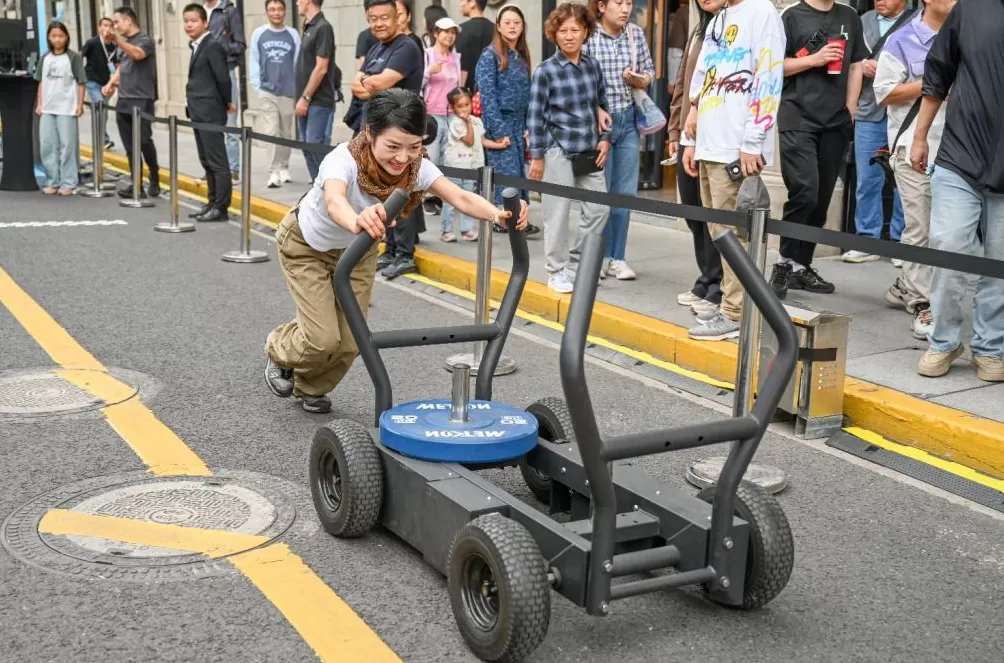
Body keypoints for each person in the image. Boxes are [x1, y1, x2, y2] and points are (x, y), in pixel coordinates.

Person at [263, 88, 529, 413]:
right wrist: (357, 219)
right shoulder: (343, 160)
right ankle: (279, 349)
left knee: (352, 339)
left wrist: (497, 214)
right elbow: (334, 201)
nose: (402, 158)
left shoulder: (417, 169)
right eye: (392, 146)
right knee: (323, 337)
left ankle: (309, 387)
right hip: (307, 245)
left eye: (413, 147)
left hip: (358, 252)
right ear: (369, 134)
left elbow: (459, 196)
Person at [909, 0, 1004, 383]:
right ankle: (944, 341)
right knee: (948, 248)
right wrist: (919, 137)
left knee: (999, 264)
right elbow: (938, 73)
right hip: (959, 156)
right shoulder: (972, 8)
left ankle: (990, 347)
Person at [681, 0, 786, 341]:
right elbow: (703, 79)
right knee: (719, 232)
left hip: (736, 147)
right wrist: (689, 138)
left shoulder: (762, 13)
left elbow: (769, 79)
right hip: (710, 143)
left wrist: (753, 143)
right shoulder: (718, 19)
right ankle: (731, 303)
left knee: (735, 234)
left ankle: (735, 312)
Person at [769, 0, 866, 297]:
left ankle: (801, 266)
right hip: (797, 116)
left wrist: (850, 109)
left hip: (835, 121)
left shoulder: (849, 16)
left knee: (821, 198)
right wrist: (815, 59)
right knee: (805, 191)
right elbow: (773, 67)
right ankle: (783, 263)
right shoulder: (790, 15)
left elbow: (856, 65)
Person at [873, 0, 954, 341]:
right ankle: (922, 302)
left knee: (948, 233)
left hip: (957, 151)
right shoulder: (902, 39)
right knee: (920, 227)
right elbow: (884, 93)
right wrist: (933, 83)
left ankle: (906, 283)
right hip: (913, 149)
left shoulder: (965, 35)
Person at [528, 2, 612, 294]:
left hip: (589, 150)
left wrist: (605, 138)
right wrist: (537, 157)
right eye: (563, 30)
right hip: (557, 149)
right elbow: (535, 116)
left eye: (575, 30)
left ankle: (577, 265)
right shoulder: (545, 71)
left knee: (599, 209)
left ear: (585, 32)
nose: (569, 36)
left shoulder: (592, 65)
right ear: (554, 34)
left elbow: (603, 104)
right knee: (557, 213)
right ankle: (556, 270)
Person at [350, 0, 425, 279]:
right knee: (383, 194)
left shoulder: (406, 47)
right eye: (373, 18)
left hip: (402, 135)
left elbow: (380, 83)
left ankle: (405, 255)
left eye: (384, 17)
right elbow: (356, 85)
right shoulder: (376, 48)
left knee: (401, 194)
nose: (379, 23)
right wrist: (368, 82)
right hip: (379, 135)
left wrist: (368, 81)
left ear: (398, 18)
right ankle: (392, 250)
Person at [584, 0, 656, 282]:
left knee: (624, 195)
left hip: (628, 122)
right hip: (598, 123)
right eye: (619, 2)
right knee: (599, 195)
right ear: (602, 6)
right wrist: (595, 108)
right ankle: (597, 256)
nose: (626, 8)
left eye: (629, 3)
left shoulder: (635, 34)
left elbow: (649, 72)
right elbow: (579, 78)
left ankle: (617, 257)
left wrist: (639, 79)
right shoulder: (588, 35)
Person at [842, 0, 911, 264]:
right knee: (867, 180)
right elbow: (848, 57)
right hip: (869, 111)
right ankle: (866, 240)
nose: (879, 0)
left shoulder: (917, 22)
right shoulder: (862, 20)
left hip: (904, 112)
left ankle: (902, 243)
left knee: (905, 180)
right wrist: (861, 64)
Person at [667, 0, 723, 315]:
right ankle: (706, 277)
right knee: (692, 208)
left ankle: (715, 285)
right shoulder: (699, 31)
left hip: (714, 135)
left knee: (711, 212)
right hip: (688, 137)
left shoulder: (731, 29)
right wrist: (674, 132)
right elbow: (681, 87)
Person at [474, 4, 541, 236]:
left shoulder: (521, 55)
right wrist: (499, 130)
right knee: (507, 174)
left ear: (523, 26)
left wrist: (527, 127)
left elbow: (528, 94)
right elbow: (487, 96)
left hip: (518, 124)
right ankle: (502, 219)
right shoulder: (489, 55)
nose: (512, 27)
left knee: (518, 175)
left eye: (517, 22)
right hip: (500, 123)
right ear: (499, 27)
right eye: (507, 23)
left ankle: (518, 220)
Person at [102, 6, 160, 200]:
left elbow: (137, 55)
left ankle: (154, 176)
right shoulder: (124, 44)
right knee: (130, 146)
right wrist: (110, 83)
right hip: (124, 99)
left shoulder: (145, 40)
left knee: (143, 141)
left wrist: (117, 40)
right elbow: (122, 67)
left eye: (117, 22)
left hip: (142, 99)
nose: (115, 26)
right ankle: (137, 185)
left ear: (128, 20)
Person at [183, 4, 234, 223]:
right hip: (198, 112)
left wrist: (227, 102)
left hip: (210, 112)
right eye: (186, 21)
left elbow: (223, 78)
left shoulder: (212, 45)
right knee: (206, 161)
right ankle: (212, 202)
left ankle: (221, 207)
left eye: (193, 20)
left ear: (205, 23)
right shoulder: (196, 46)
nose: (189, 25)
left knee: (217, 161)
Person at [441, 87, 506, 242]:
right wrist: (468, 122)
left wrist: (500, 145)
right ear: (453, 108)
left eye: (467, 104)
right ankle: (446, 230)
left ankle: (467, 229)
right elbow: (469, 141)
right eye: (460, 106)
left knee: (469, 198)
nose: (464, 109)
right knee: (450, 200)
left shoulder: (477, 121)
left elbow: (482, 141)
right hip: (456, 167)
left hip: (471, 167)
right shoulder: (456, 123)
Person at [250, 0, 301, 189]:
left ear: (285, 11)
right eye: (272, 9)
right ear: (266, 12)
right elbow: (254, 60)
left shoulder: (293, 34)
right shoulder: (259, 34)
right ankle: (273, 171)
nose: (276, 13)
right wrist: (257, 86)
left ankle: (284, 167)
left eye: (279, 9)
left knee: (286, 133)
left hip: (288, 92)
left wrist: (296, 88)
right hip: (267, 91)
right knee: (271, 131)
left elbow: (297, 63)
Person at [34, 21, 86, 196]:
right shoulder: (45, 58)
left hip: (66, 108)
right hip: (47, 108)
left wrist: (79, 104)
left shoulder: (73, 57)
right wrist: (40, 104)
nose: (57, 39)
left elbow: (81, 82)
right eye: (54, 36)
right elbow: (41, 82)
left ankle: (68, 182)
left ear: (66, 37)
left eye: (61, 36)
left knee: (67, 146)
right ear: (49, 38)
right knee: (47, 146)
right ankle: (53, 181)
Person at [421, 17, 463, 216]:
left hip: (452, 114)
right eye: (446, 32)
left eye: (453, 33)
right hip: (432, 113)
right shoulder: (427, 55)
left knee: (449, 157)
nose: (450, 36)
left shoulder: (455, 57)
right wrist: (428, 72)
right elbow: (417, 81)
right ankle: (427, 198)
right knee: (432, 157)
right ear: (436, 33)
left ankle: (443, 198)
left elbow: (458, 85)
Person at [294, 0, 338, 182]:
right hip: (305, 99)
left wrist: (306, 97)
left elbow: (321, 67)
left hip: (318, 100)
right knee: (306, 146)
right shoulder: (308, 26)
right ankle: (318, 186)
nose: (297, 3)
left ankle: (331, 185)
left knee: (314, 145)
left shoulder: (323, 27)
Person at [204, 0, 246, 181]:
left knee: (230, 124)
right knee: (209, 126)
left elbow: (240, 44)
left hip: (225, 71)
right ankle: (214, 170)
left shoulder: (228, 11)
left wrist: (220, 48)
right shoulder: (200, 11)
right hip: (204, 75)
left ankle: (233, 170)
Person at [79, 17, 118, 150]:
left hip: (106, 83)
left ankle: (100, 138)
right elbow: (80, 56)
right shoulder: (92, 42)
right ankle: (104, 139)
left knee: (103, 112)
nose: (107, 28)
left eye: (110, 26)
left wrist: (113, 84)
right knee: (101, 107)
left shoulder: (113, 46)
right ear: (99, 28)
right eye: (105, 25)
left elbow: (115, 66)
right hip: (92, 80)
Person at [456, 0, 495, 90]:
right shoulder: (496, 29)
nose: (460, 4)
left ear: (472, 3)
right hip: (491, 86)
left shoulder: (461, 30)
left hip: (467, 89)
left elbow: (461, 62)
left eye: (462, 0)